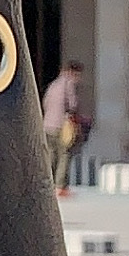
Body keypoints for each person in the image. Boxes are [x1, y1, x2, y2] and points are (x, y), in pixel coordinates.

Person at [40, 56, 87, 192]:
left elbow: (45, 102)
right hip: (61, 126)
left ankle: (47, 185)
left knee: (50, 155)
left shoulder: (54, 84)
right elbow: (72, 104)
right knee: (64, 155)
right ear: (74, 72)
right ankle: (60, 186)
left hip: (48, 124)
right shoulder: (69, 83)